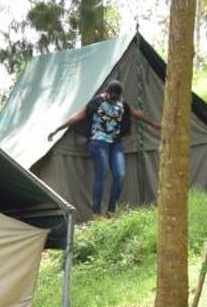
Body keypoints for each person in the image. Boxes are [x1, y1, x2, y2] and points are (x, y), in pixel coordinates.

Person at [48, 79, 162, 216]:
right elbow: (78, 116)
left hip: (115, 143)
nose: (113, 99)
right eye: (111, 97)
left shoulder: (121, 103)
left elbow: (135, 114)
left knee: (120, 175)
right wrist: (57, 129)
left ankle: (111, 210)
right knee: (102, 173)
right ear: (106, 92)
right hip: (98, 142)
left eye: (116, 97)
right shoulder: (97, 102)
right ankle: (96, 213)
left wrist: (153, 124)